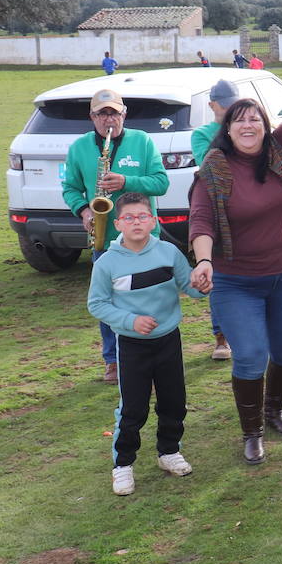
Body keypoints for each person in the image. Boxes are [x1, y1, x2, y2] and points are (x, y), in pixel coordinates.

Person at [188, 27, 282, 464]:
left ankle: (274, 412)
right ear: (226, 127)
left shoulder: (279, 152)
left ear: (265, 126)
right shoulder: (214, 168)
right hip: (237, 280)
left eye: (255, 118)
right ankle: (251, 432)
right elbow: (202, 218)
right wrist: (204, 259)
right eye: (239, 119)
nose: (248, 124)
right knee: (249, 355)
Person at [88, 193, 204, 496]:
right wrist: (129, 321)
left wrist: (202, 286)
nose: (136, 222)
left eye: (142, 216)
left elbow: (190, 288)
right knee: (133, 408)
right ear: (118, 224)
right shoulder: (107, 263)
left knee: (173, 401)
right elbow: (97, 304)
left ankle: (169, 452)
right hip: (131, 345)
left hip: (168, 340)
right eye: (129, 218)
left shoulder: (169, 252)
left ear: (153, 220)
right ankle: (123, 465)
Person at [62, 88, 169, 383]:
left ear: (124, 114)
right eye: (102, 114)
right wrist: (84, 210)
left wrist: (125, 181)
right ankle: (113, 360)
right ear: (92, 117)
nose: (108, 119)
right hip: (105, 238)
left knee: (149, 298)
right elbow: (70, 187)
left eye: (113, 113)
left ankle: (153, 354)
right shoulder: (80, 148)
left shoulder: (143, 141)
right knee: (108, 301)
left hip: (145, 237)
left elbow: (161, 183)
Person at [190, 78, 243, 361]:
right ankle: (221, 337)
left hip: (246, 210)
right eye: (225, 107)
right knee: (220, 274)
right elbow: (210, 163)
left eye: (234, 106)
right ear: (212, 105)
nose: (230, 111)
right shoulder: (202, 134)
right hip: (218, 210)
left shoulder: (245, 127)